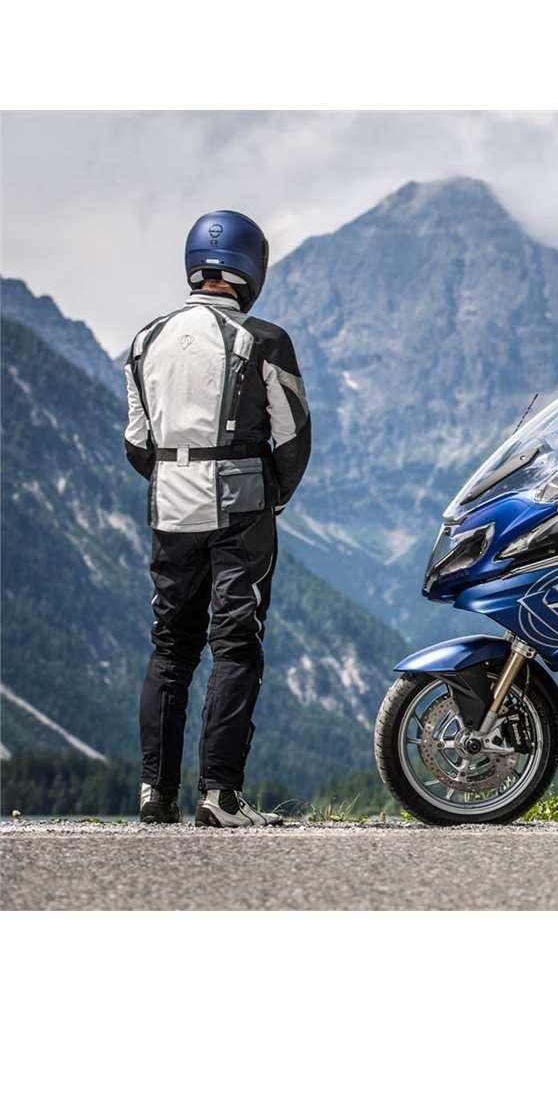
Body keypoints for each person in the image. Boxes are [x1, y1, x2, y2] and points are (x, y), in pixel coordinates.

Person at [123, 210, 311, 827]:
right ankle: (220, 796)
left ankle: (156, 794)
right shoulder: (265, 340)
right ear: (251, 268)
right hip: (241, 508)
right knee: (235, 645)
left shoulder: (145, 341)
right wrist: (273, 496)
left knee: (170, 646)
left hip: (170, 507)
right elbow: (292, 437)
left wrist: (175, 477)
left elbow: (137, 443)